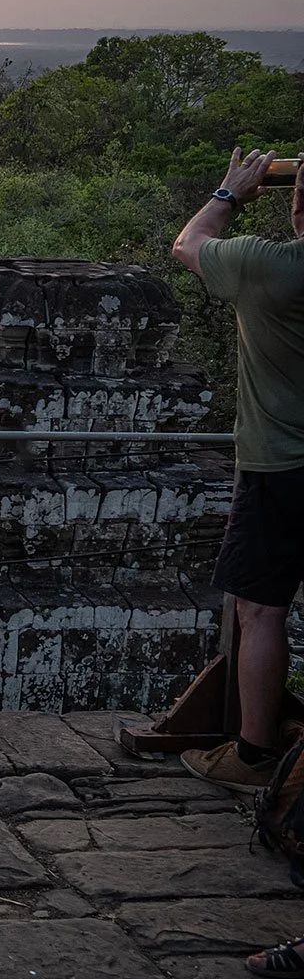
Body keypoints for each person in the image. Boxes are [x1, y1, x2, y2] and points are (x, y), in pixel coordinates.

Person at [172, 146, 304, 792]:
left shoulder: (270, 268)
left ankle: (253, 754)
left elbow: (188, 244)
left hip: (280, 467)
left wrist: (231, 192)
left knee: (259, 610)